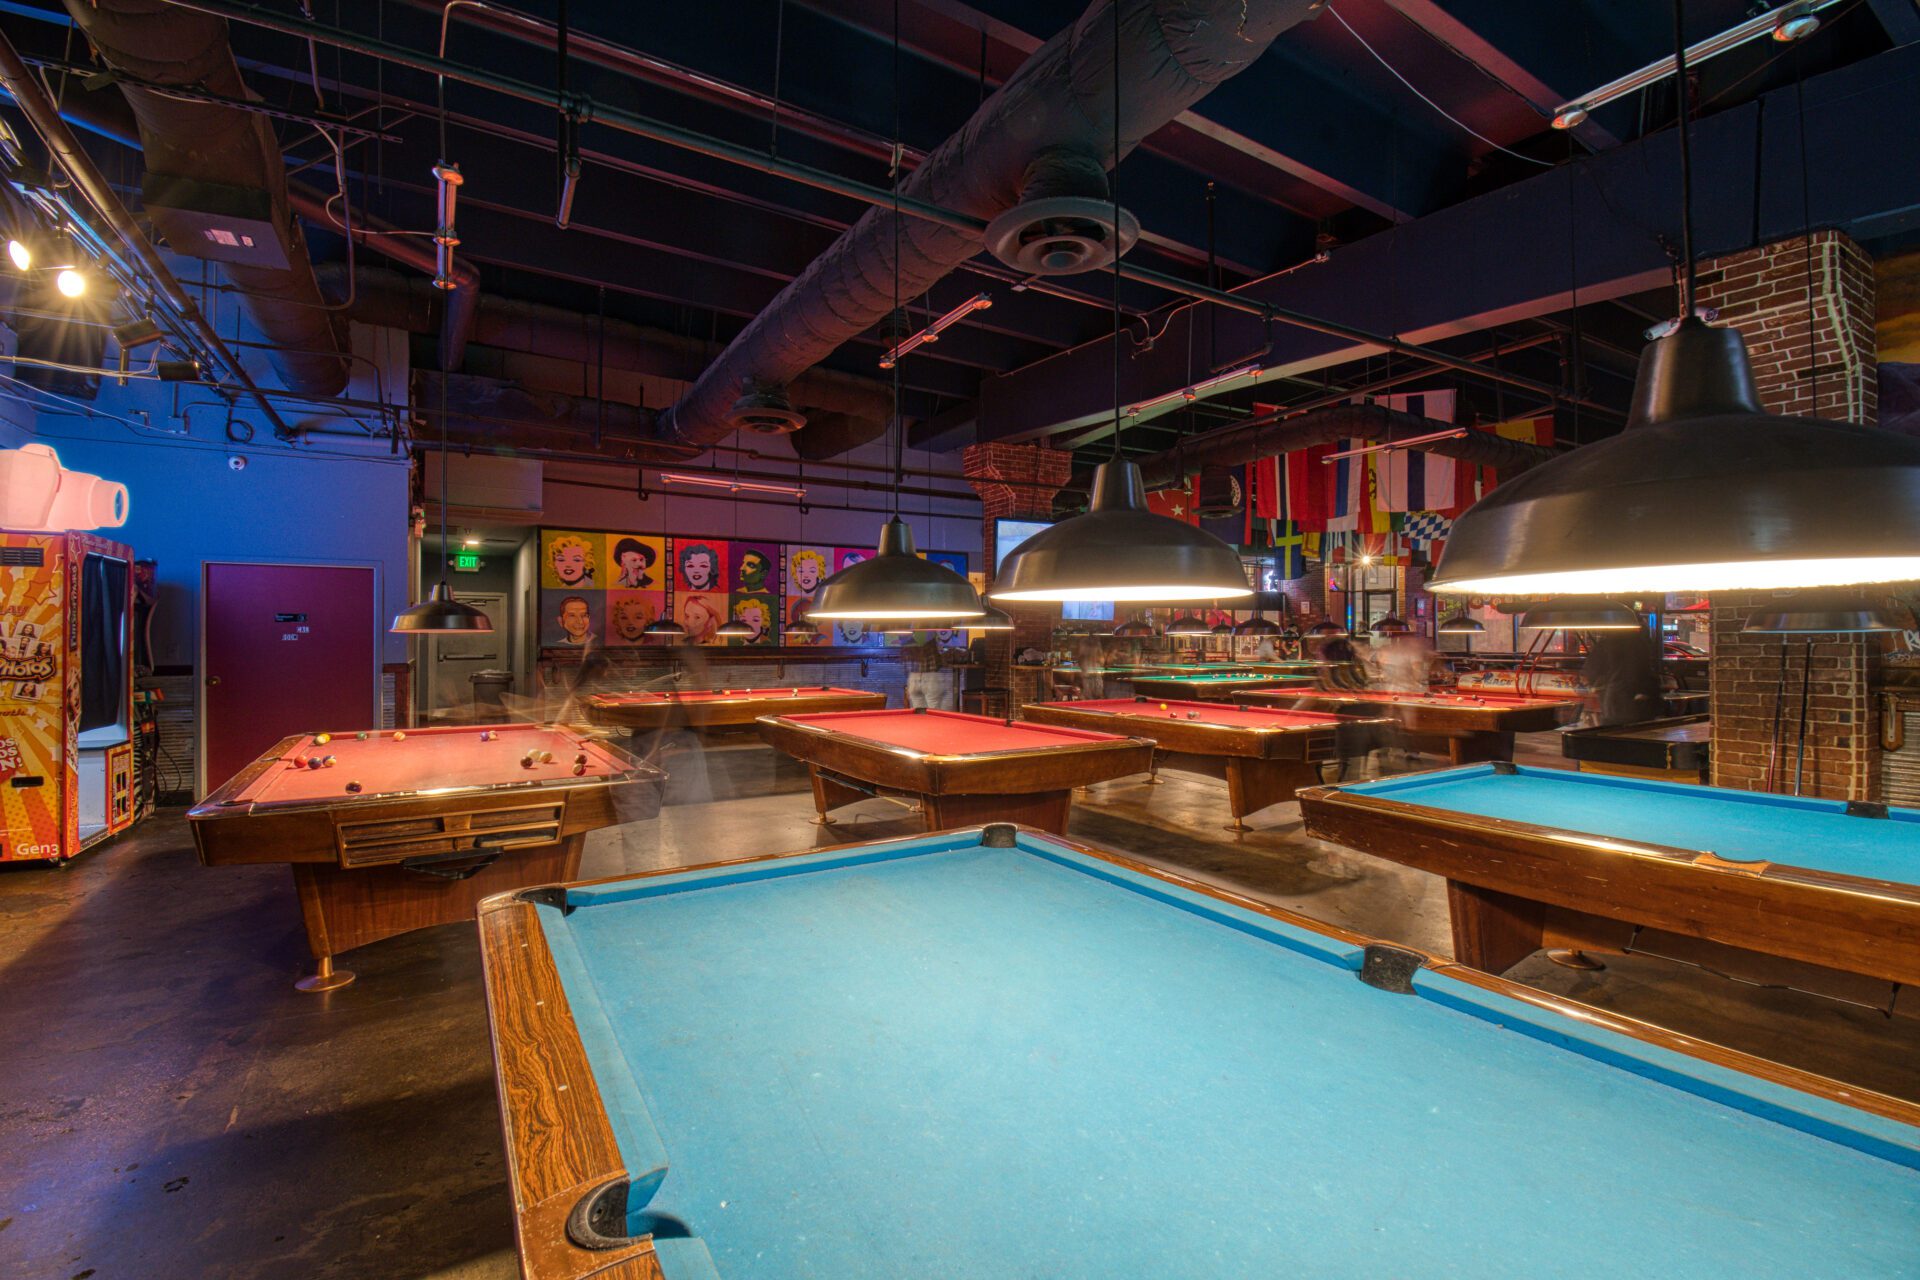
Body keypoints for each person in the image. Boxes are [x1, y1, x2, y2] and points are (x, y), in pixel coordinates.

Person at [1583, 628, 1665, 726]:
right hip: (1643, 704)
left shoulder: (1607, 644)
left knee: (1614, 734)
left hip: (1616, 704)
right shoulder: (1640, 643)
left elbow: (1591, 671)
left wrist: (1598, 685)